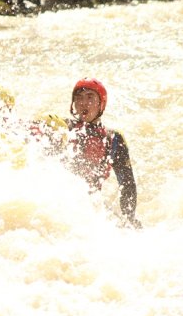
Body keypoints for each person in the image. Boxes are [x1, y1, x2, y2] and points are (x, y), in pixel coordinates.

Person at [33, 78, 141, 228]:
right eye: (79, 98)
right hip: (58, 202)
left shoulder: (114, 139)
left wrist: (129, 218)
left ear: (101, 104)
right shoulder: (63, 128)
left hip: (90, 206)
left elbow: (127, 185)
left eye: (90, 97)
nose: (83, 102)